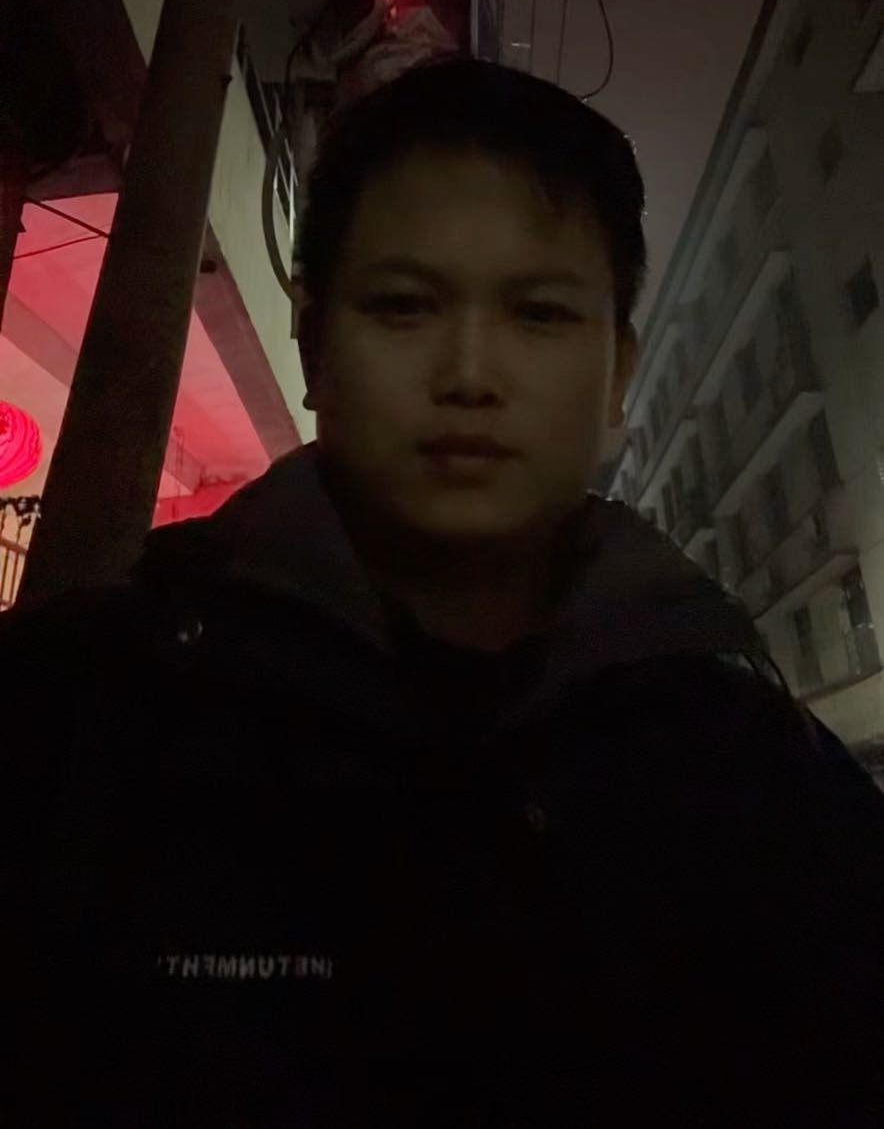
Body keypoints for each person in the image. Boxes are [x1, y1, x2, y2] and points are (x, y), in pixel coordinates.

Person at [2, 57, 884, 1128]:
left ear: (617, 371)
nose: (470, 373)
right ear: (313, 346)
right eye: (405, 307)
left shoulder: (758, 781)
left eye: (538, 314)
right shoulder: (77, 723)